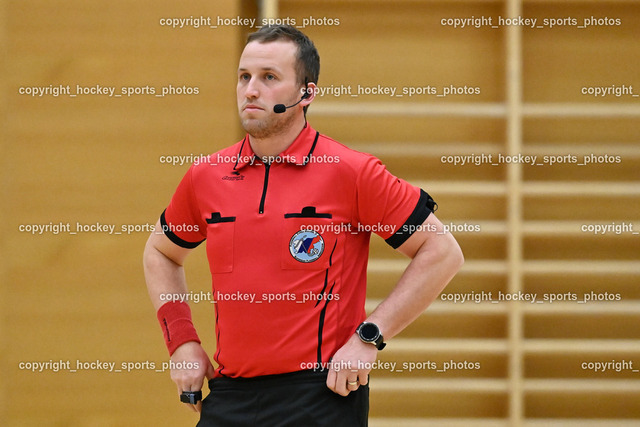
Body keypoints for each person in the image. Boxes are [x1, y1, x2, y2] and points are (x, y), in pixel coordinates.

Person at [143, 24, 464, 426]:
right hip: (230, 396)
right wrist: (182, 342)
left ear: (306, 93)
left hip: (320, 397)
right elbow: (160, 251)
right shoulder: (206, 175)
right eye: (244, 77)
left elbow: (441, 251)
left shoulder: (351, 172)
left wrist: (369, 338)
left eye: (269, 78)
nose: (251, 91)